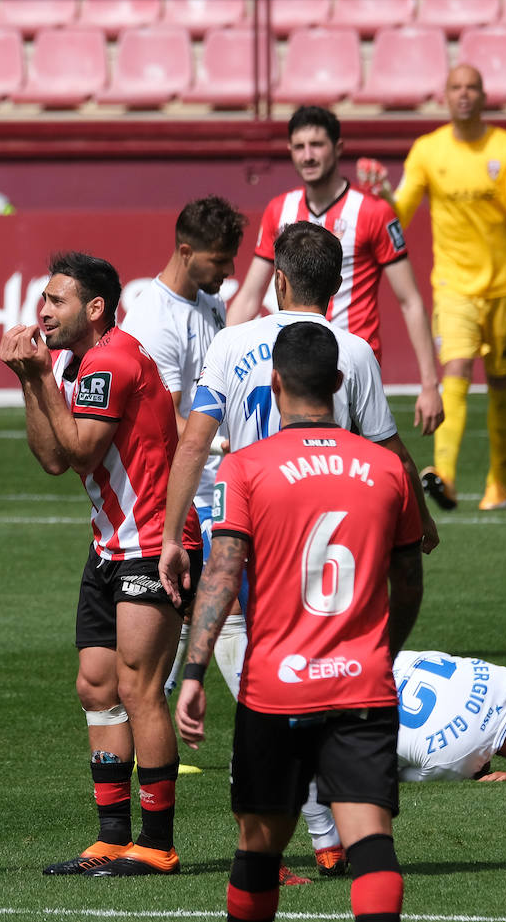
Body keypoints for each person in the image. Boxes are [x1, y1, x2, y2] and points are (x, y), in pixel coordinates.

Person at [175, 319, 424, 922]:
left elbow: (221, 573)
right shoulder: (388, 470)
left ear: (275, 382)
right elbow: (410, 581)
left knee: (258, 846)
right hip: (361, 683)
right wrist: (380, 650)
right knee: (370, 842)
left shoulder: (245, 468)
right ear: (340, 382)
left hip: (276, 687)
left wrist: (194, 671)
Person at [0, 252, 204, 878]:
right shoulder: (70, 363)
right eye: (43, 298)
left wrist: (39, 375)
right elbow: (53, 460)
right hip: (110, 546)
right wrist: (31, 380)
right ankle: (113, 838)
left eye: (55, 301)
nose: (42, 310)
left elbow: (84, 451)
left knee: (141, 690)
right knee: (96, 685)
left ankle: (158, 844)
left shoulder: (112, 359)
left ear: (94, 309)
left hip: (154, 544)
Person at [159, 221, 438, 613]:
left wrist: (171, 539)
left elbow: (192, 445)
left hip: (249, 524)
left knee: (249, 636)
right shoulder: (355, 351)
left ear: (280, 280)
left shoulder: (229, 342)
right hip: (323, 534)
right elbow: (395, 456)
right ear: (336, 285)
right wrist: (422, 517)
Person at [357, 65, 506, 512]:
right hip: (453, 285)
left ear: (484, 96)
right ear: (444, 96)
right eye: (456, 88)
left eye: (472, 88)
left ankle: (498, 483)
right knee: (456, 370)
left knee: (501, 380)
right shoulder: (428, 150)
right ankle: (443, 472)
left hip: (505, 282)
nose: (464, 95)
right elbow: (399, 212)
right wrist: (383, 194)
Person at [225, 105, 443, 437]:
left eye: (317, 145)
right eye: (299, 147)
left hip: (349, 367)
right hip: (290, 368)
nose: (307, 156)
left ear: (338, 148)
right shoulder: (277, 210)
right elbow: (249, 296)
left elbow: (410, 300)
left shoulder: (374, 212)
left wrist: (429, 385)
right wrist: (220, 362)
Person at [295, 650, 506, 880]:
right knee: (328, 758)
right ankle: (327, 843)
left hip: (356, 662)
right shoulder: (458, 761)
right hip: (331, 710)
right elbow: (389, 772)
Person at [120, 196, 249, 706]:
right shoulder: (155, 319)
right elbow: (166, 420)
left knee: (193, 613)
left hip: (216, 482)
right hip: (188, 491)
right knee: (225, 608)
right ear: (186, 249)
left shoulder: (206, 301)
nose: (230, 271)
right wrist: (228, 441)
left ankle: (147, 723)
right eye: (220, 261)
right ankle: (267, 734)